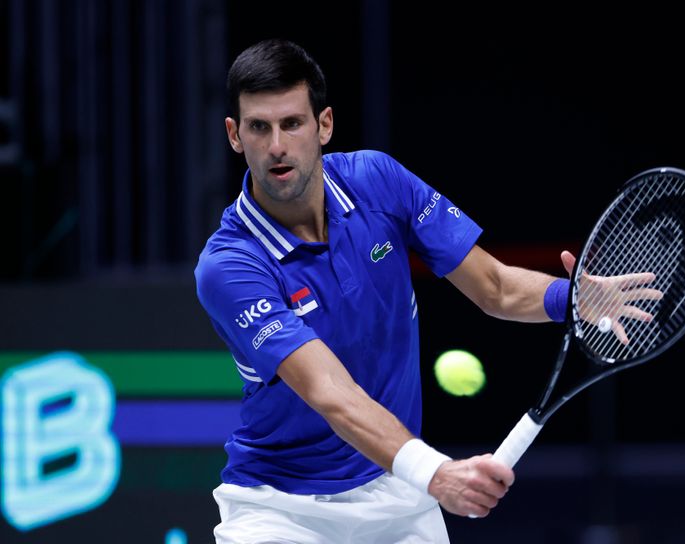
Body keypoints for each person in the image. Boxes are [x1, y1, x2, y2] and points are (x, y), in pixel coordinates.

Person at [194, 38, 660, 543]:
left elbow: (495, 286)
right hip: (281, 511)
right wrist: (436, 473)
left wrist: (568, 301)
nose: (277, 146)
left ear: (324, 125)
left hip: (398, 495)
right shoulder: (230, 266)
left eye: (292, 123)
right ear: (234, 136)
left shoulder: (378, 181)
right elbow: (331, 393)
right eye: (259, 128)